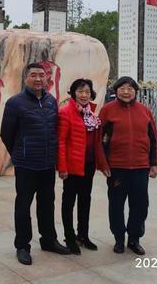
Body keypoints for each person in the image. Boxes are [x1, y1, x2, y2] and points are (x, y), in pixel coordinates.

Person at [0, 62, 69, 265]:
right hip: (26, 165)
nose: (38, 79)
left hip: (47, 164)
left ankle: (48, 240)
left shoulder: (51, 101)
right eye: (33, 75)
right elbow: (6, 134)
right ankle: (22, 246)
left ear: (47, 78)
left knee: (47, 205)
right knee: (23, 206)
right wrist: (20, 153)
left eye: (42, 75)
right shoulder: (15, 103)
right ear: (25, 78)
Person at [98, 76, 157, 256]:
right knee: (116, 205)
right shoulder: (107, 111)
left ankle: (134, 239)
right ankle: (119, 238)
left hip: (141, 168)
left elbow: (154, 139)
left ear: (135, 91)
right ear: (116, 91)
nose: (126, 92)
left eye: (130, 88)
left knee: (140, 205)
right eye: (122, 88)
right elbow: (99, 141)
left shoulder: (145, 111)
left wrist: (155, 163)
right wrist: (103, 163)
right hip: (117, 168)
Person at [57, 78, 104, 255]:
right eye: (80, 91)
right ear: (73, 93)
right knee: (69, 202)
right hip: (72, 166)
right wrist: (62, 167)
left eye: (87, 92)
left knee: (85, 200)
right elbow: (61, 142)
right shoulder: (66, 112)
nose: (84, 95)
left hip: (88, 165)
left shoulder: (91, 113)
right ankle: (69, 238)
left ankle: (82, 235)